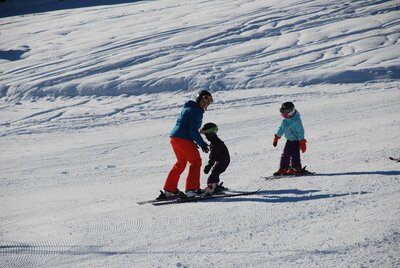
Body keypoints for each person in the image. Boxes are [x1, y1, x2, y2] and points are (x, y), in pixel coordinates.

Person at [159, 90, 213, 199]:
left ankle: (170, 190)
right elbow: (192, 130)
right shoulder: (195, 110)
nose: (207, 102)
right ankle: (192, 189)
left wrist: (192, 141)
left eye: (210, 101)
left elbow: (187, 127)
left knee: (181, 163)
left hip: (175, 138)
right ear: (199, 98)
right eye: (205, 99)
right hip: (183, 138)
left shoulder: (189, 108)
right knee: (196, 161)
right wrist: (202, 143)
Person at [272, 102, 307, 176]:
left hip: (296, 141)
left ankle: (296, 168)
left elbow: (301, 132)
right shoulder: (284, 121)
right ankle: (284, 168)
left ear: (291, 111)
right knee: (285, 154)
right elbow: (281, 129)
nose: (284, 115)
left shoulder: (296, 120)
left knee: (295, 155)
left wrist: (302, 142)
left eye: (285, 113)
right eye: (282, 113)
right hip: (289, 140)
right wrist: (277, 137)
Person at [199, 123, 230, 193]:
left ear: (211, 134)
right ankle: (216, 185)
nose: (206, 137)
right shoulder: (214, 141)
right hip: (222, 161)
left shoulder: (215, 143)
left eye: (206, 134)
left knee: (213, 175)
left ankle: (212, 187)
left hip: (222, 161)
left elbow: (213, 156)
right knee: (215, 172)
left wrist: (209, 165)